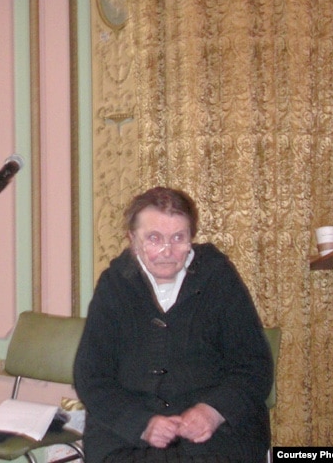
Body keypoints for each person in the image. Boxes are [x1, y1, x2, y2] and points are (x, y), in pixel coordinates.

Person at [74, 187, 273, 463]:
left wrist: (213, 412)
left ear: (191, 238)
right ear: (132, 239)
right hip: (128, 433)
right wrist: (141, 424)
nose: (167, 251)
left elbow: (254, 366)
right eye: (154, 238)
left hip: (214, 434)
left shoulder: (218, 278)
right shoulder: (114, 285)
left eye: (178, 238)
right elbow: (91, 375)